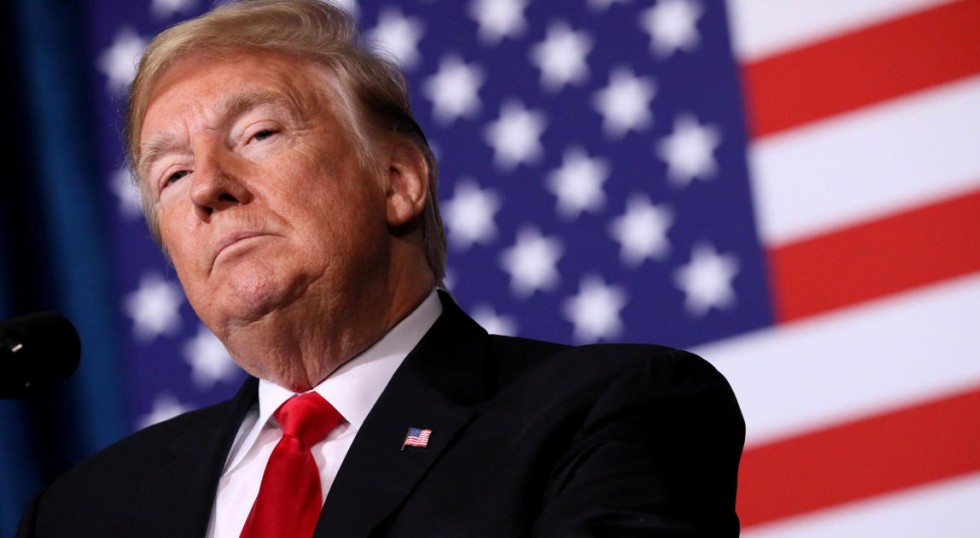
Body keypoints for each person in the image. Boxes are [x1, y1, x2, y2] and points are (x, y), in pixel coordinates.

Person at [18, 0, 744, 536]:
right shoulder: (85, 512)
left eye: (259, 133)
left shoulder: (608, 413)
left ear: (398, 181)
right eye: (171, 176)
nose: (208, 187)